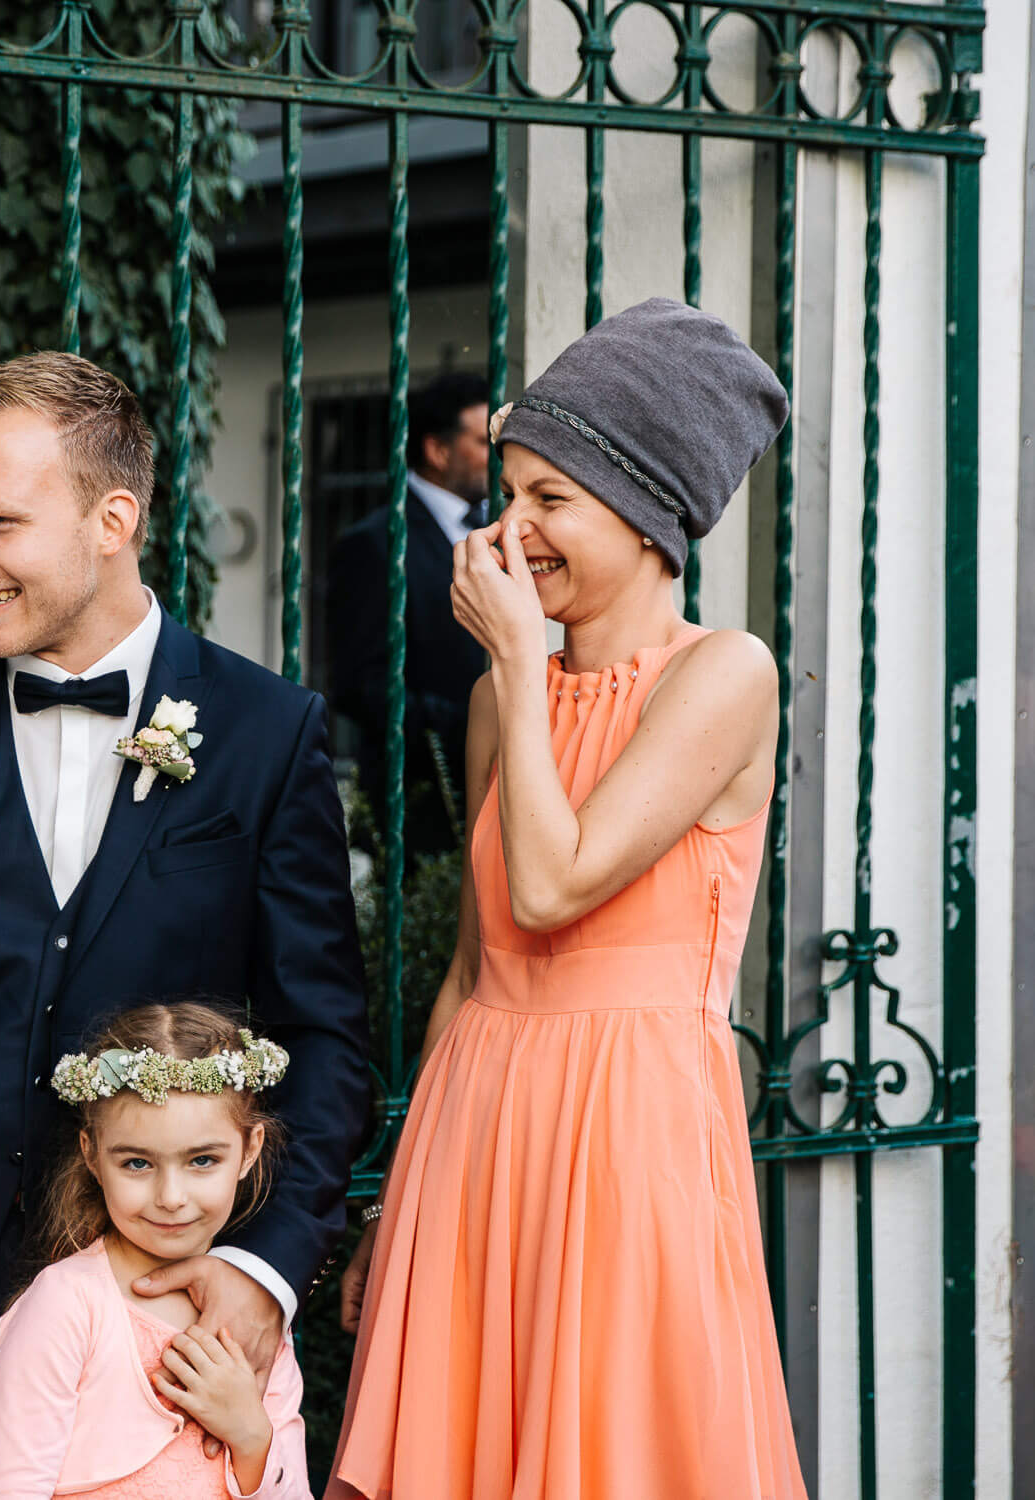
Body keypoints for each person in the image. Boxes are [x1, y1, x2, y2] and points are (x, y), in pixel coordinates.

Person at [0, 351, 370, 1500]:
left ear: (114, 518)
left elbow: (329, 1039)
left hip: (149, 1299)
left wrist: (262, 1269)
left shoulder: (264, 732)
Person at [328, 298, 805, 1499]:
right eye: (512, 492)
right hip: (477, 1115)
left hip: (627, 1124)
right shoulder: (512, 698)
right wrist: (399, 1194)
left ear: (649, 514)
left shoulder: (724, 674)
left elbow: (553, 886)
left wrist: (515, 663)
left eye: (551, 499)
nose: (512, 528)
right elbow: (480, 958)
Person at [0, 1001, 314, 1500]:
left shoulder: (250, 1321)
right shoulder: (67, 1305)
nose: (171, 1197)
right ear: (92, 1154)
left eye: (202, 1160)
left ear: (250, 1150)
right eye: (137, 1163)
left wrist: (251, 1436)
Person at [327, 371, 492, 858]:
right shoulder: (375, 543)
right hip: (419, 809)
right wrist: (472, 725)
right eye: (483, 442)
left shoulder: (504, 530)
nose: (496, 455)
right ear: (438, 452)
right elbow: (359, 685)